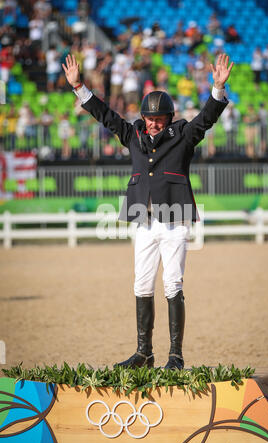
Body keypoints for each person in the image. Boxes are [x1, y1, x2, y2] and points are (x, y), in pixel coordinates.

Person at [62, 52, 234, 370]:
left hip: (174, 218)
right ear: (143, 117)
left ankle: (176, 356)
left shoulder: (183, 135)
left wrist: (218, 90)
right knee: (141, 284)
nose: (154, 123)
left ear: (169, 118)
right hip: (143, 217)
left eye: (159, 119)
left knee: (172, 284)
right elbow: (106, 116)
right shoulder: (133, 135)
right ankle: (144, 353)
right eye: (150, 118)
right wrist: (79, 88)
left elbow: (206, 119)